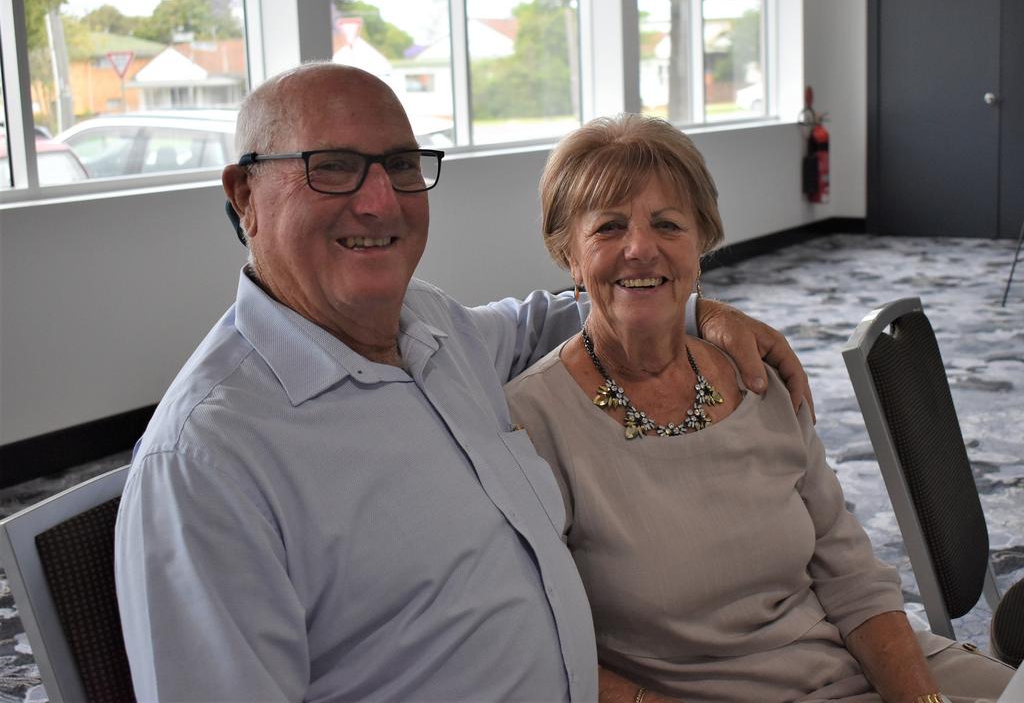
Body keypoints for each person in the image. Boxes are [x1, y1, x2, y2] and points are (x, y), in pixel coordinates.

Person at [114, 63, 811, 702]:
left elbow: (554, 316)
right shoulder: (209, 461)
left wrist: (697, 310)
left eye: (401, 165)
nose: (380, 201)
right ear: (245, 196)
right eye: (333, 168)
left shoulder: (434, 332)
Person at [504, 113, 1014, 703]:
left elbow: (852, 578)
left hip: (863, 657)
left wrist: (921, 700)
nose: (640, 248)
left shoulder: (756, 378)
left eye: (668, 224)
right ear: (568, 253)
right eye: (609, 227)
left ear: (701, 245)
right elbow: (534, 647)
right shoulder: (532, 422)